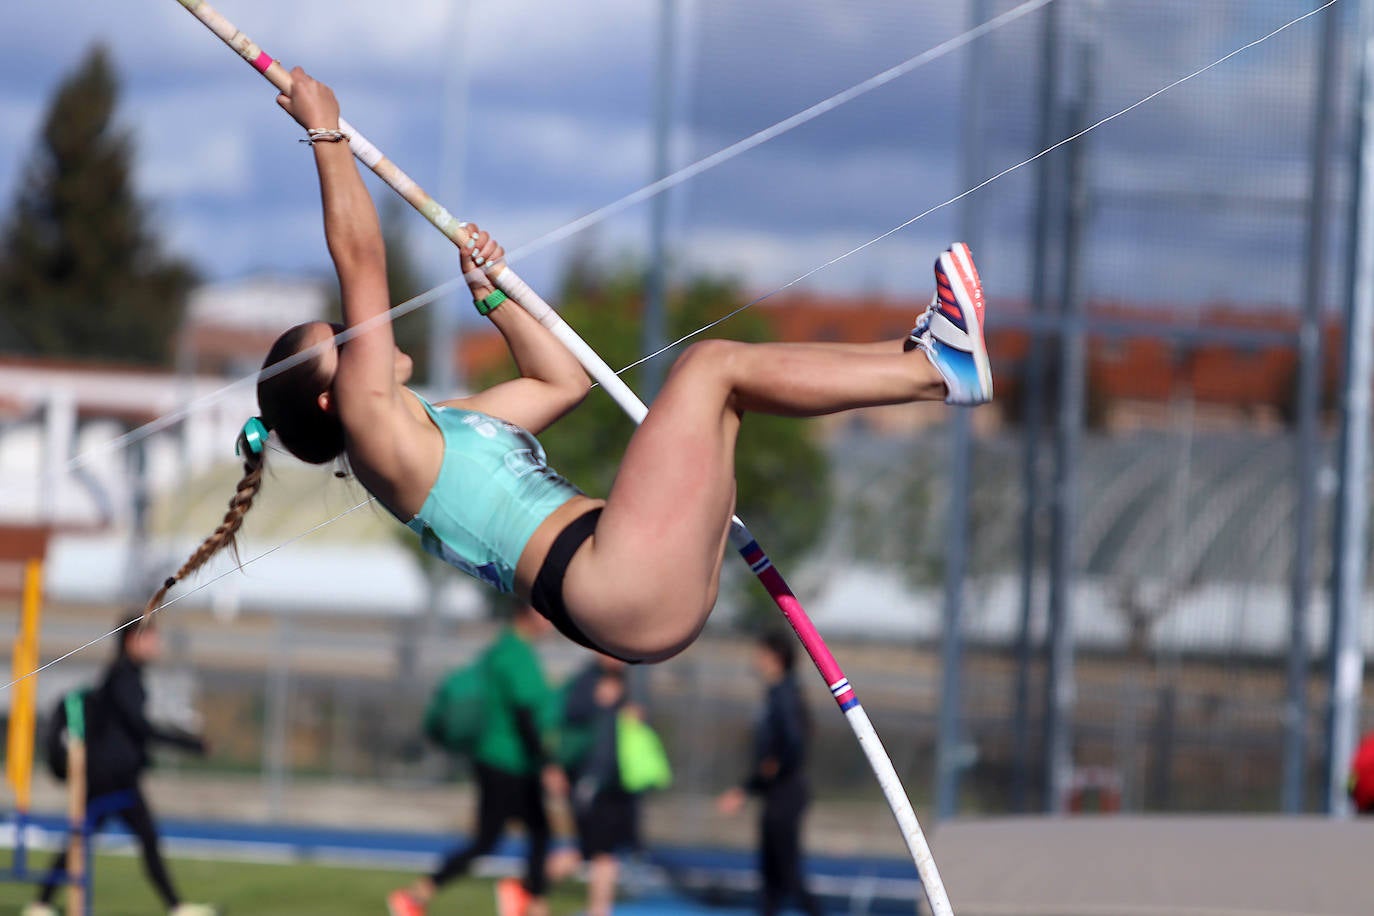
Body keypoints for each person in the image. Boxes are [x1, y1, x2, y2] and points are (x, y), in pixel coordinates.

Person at [148, 69, 992, 667]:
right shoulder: (377, 441)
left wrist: (491, 297)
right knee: (708, 372)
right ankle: (930, 366)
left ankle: (929, 362)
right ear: (334, 397)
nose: (359, 329)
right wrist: (326, 133)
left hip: (631, 584)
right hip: (613, 584)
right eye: (343, 337)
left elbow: (562, 382)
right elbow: (362, 258)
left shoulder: (440, 427)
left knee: (721, 394)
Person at [24, 615, 215, 916]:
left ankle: (42, 903)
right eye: (151, 638)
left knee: (128, 839)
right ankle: (41, 904)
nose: (157, 644)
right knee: (85, 839)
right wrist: (192, 744)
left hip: (120, 778)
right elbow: (141, 728)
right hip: (108, 779)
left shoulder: (129, 676)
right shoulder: (122, 677)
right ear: (132, 641)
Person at [388, 604, 566, 916]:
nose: (551, 624)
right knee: (510, 837)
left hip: (498, 758)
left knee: (519, 835)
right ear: (529, 614)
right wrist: (548, 763)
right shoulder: (516, 655)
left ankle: (526, 898)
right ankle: (419, 895)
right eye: (547, 615)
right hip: (509, 761)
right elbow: (525, 716)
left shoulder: (500, 650)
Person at [716, 631, 824, 916]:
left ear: (776, 659)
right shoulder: (774, 694)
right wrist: (749, 787)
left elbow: (794, 742)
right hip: (774, 792)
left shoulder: (785, 695)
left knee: (787, 872)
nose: (756, 660)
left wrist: (772, 769)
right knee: (770, 874)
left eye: (761, 654)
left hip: (786, 794)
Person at [547, 655, 646, 916]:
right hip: (591, 782)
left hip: (617, 783)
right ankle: (531, 886)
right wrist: (599, 704)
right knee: (596, 851)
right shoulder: (585, 682)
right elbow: (566, 719)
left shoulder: (621, 682)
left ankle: (598, 910)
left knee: (601, 852)